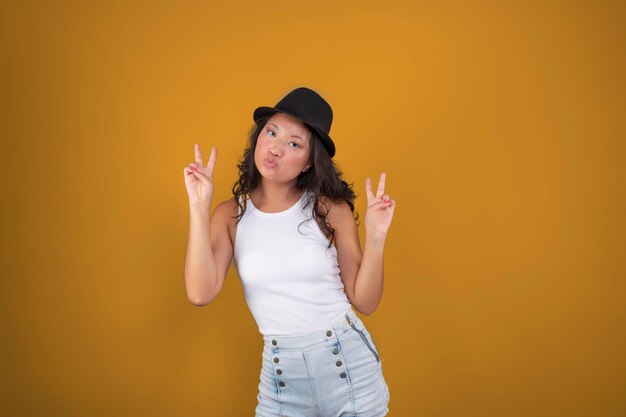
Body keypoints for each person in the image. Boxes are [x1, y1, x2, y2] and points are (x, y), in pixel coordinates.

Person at [183, 87, 396, 416]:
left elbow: (365, 301)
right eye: (271, 132)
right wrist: (199, 206)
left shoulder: (330, 210)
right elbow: (200, 292)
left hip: (347, 368)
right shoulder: (230, 215)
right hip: (281, 377)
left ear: (309, 162)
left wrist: (377, 237)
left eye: (294, 143)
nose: (275, 148)